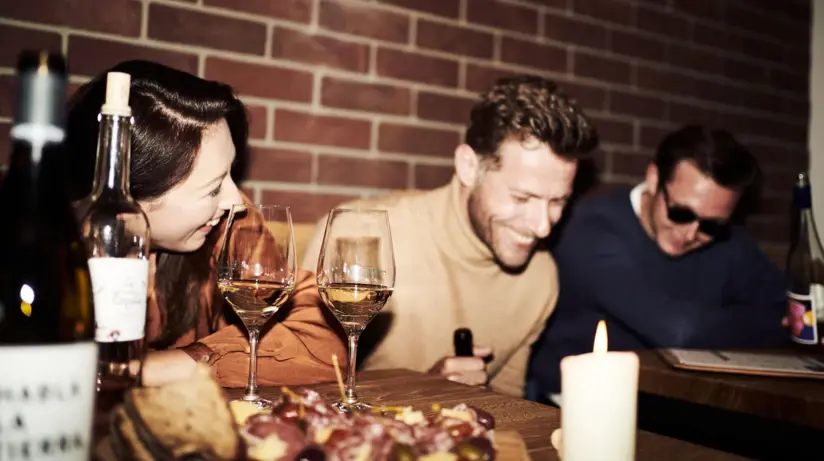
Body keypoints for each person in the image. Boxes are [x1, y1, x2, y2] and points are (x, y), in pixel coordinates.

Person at [301, 75, 599, 398]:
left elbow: (507, 414)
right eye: (521, 198)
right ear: (469, 167)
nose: (543, 227)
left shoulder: (540, 278)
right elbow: (303, 393)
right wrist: (421, 392)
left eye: (558, 201)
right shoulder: (357, 236)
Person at [65, 60, 346, 387]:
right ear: (129, 196)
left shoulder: (227, 225)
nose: (236, 199)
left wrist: (157, 368)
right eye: (213, 188)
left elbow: (324, 337)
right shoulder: (52, 249)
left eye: (231, 173)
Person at [527, 125, 788, 402]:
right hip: (574, 403)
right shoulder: (590, 230)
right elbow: (677, 330)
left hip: (678, 402)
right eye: (680, 212)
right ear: (653, 179)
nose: (689, 234)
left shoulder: (727, 240)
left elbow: (797, 308)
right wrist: (775, 325)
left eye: (710, 225)